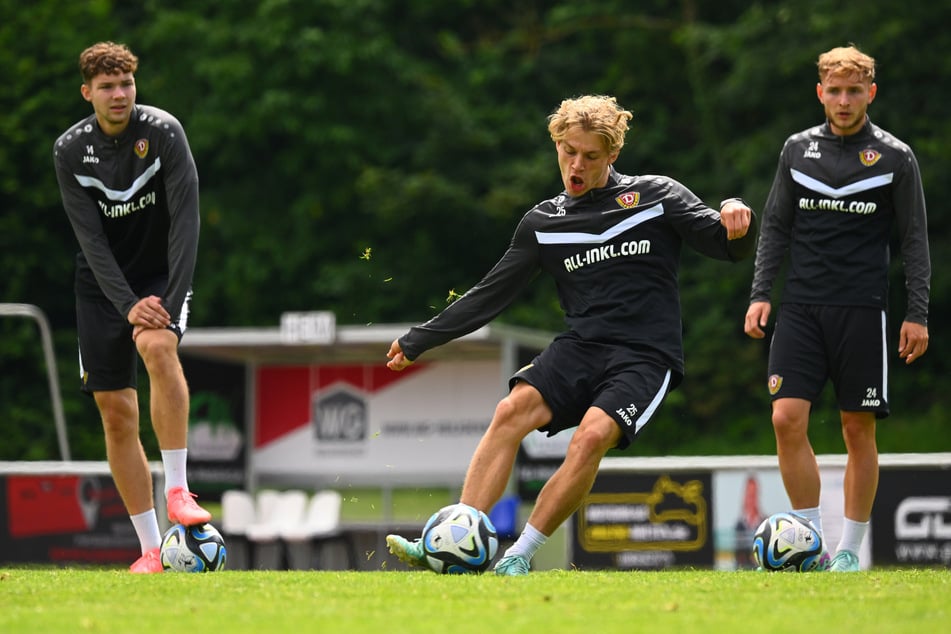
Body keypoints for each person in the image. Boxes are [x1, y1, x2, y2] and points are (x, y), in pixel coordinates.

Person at [384, 94, 756, 575]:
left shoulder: (657, 196)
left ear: (613, 155)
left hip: (645, 357)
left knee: (589, 438)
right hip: (581, 348)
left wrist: (735, 217)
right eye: (567, 151)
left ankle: (518, 557)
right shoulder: (543, 223)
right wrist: (420, 340)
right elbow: (489, 295)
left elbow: (728, 247)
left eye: (590, 156)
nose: (575, 165)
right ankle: (455, 541)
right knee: (509, 412)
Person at [744, 46, 930, 572]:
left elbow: (914, 240)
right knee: (785, 418)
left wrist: (917, 312)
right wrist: (761, 294)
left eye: (854, 91)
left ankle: (849, 552)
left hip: (863, 309)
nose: (844, 101)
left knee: (856, 428)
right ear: (820, 93)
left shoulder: (896, 156)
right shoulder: (796, 151)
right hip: (801, 307)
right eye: (835, 90)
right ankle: (810, 542)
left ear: (870, 93)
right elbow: (776, 226)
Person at [54, 41, 211, 574]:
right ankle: (149, 550)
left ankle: (180, 492)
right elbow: (90, 241)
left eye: (126, 84)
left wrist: (165, 300)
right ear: (87, 93)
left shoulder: (164, 131)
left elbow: (187, 222)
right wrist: (125, 304)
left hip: (163, 274)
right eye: (106, 87)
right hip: (102, 287)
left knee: (160, 347)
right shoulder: (70, 150)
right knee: (116, 414)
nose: (118, 94)